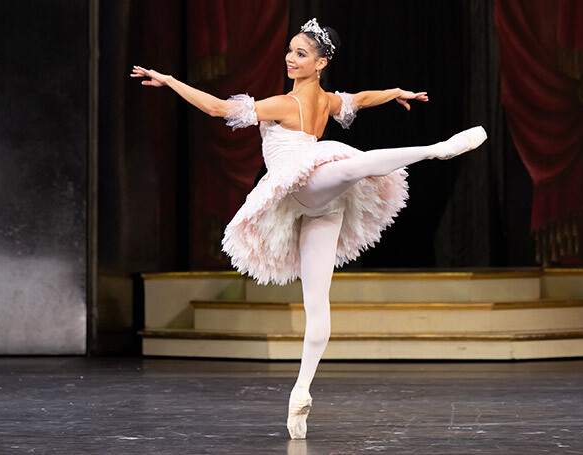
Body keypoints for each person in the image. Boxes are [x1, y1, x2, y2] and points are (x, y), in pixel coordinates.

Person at [132, 18, 486, 439]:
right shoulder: (326, 102)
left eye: (301, 54)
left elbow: (217, 109)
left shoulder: (287, 103)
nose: (290, 58)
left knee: (320, 296)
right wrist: (395, 94)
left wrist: (171, 80)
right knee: (349, 169)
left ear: (320, 64)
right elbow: (361, 98)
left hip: (307, 189)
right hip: (316, 191)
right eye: (290, 50)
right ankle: (433, 151)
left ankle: (301, 394)